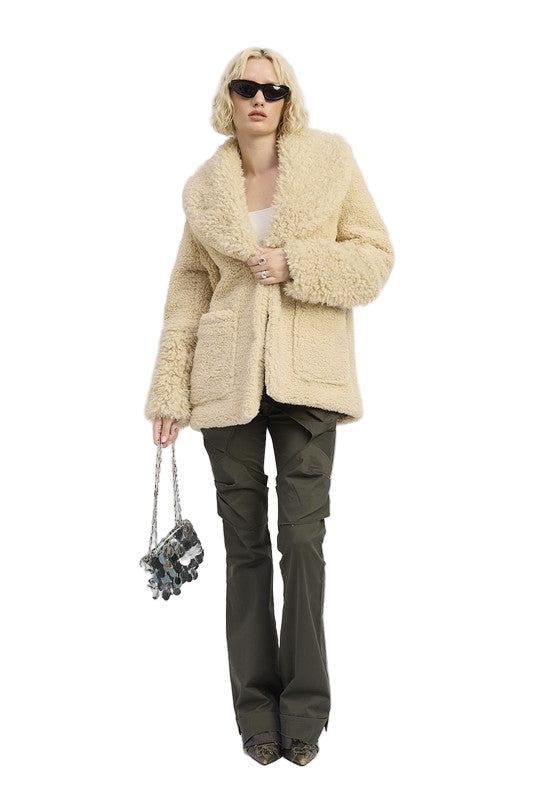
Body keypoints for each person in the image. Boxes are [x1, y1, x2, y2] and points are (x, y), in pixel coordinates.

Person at [144, 46, 394, 766]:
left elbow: (375, 258)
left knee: (303, 542)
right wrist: (169, 390)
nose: (260, 98)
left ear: (288, 100)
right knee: (244, 546)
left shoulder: (330, 161)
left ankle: (305, 713)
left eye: (273, 89)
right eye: (246, 86)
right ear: (228, 97)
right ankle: (255, 712)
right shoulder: (203, 189)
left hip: (307, 380)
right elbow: (188, 291)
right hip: (224, 382)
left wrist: (298, 264)